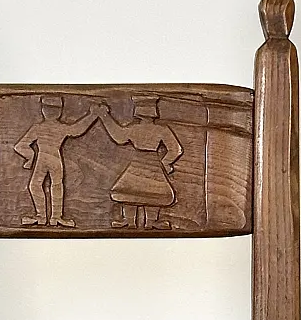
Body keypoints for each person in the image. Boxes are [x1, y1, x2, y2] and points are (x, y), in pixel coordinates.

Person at [96, 97, 183, 229]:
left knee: (133, 189)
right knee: (150, 190)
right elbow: (175, 149)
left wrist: (104, 116)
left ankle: (131, 221)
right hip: (153, 164)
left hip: (140, 162)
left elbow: (118, 136)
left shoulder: (136, 128)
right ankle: (149, 222)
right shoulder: (161, 129)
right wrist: (165, 163)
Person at [13, 95, 98, 227]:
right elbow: (77, 129)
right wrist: (93, 115)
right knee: (56, 185)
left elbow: (20, 146)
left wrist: (30, 156)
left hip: (42, 158)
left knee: (36, 185)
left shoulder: (38, 127)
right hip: (54, 158)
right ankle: (55, 217)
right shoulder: (60, 127)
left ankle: (43, 216)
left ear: (43, 110)